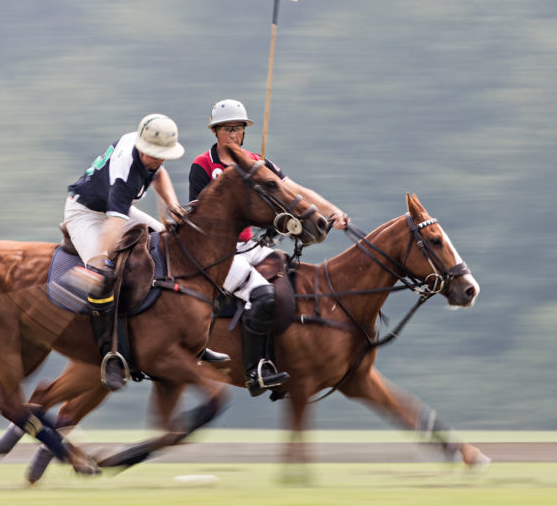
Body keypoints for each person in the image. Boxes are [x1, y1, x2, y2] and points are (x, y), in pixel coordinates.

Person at [189, 99, 348, 396]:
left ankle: (289, 360)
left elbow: (297, 191)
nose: (233, 135)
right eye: (226, 129)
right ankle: (255, 370)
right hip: (218, 253)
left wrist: (331, 210)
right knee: (261, 296)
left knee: (291, 283)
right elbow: (198, 214)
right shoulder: (202, 165)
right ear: (215, 132)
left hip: (252, 246)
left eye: (237, 129)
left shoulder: (258, 163)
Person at [64, 113, 186, 390]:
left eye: (162, 155)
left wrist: (173, 205)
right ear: (142, 147)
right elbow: (114, 224)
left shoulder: (147, 150)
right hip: (86, 214)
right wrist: (99, 262)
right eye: (153, 155)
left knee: (170, 243)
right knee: (103, 277)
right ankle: (111, 356)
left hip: (115, 210)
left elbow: (158, 173)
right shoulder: (124, 173)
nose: (157, 160)